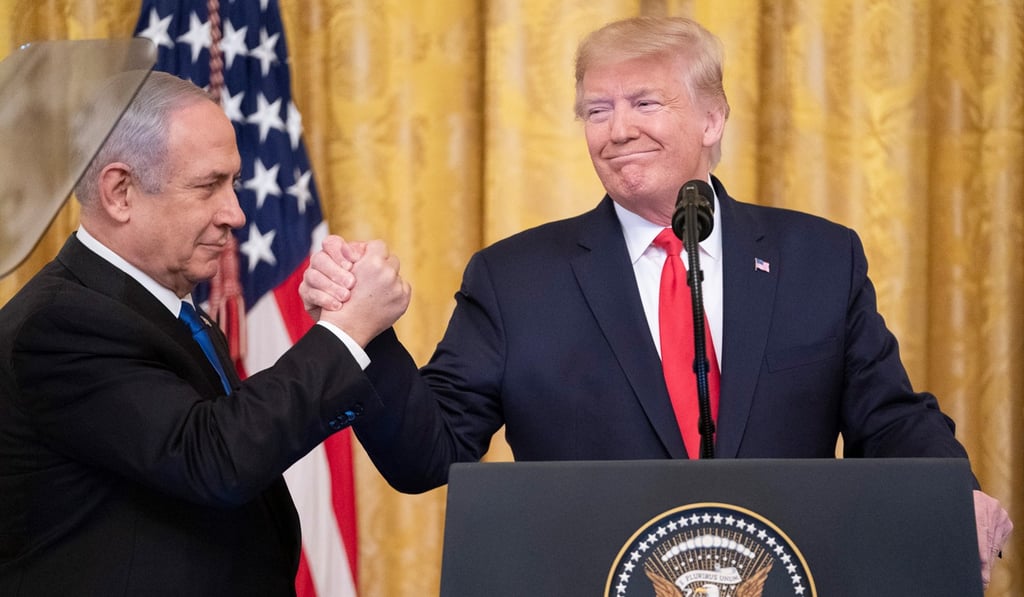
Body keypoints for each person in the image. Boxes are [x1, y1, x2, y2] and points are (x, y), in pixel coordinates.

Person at [301, 16, 1012, 588]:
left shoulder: (818, 258)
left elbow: (888, 416)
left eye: (645, 102)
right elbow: (429, 452)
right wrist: (368, 334)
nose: (616, 130)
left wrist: (954, 496)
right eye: (597, 109)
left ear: (712, 118)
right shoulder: (515, 278)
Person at [0, 71, 409, 595]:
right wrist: (346, 331)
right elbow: (213, 457)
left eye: (234, 183)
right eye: (208, 185)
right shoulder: (61, 324)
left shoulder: (167, 310)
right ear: (120, 192)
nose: (235, 213)